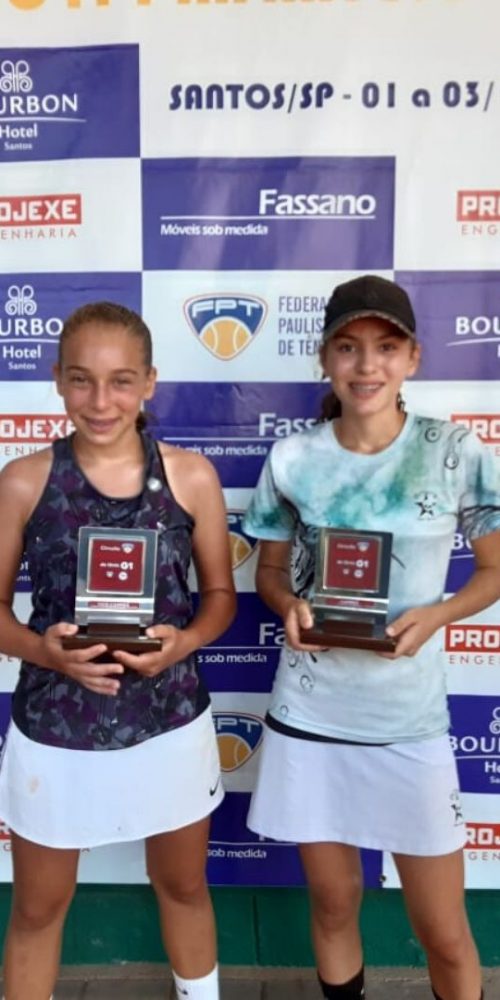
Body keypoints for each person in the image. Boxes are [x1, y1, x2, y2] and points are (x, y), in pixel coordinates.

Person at [243, 275, 500, 1000]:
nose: (366, 365)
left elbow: (493, 571)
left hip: (407, 721)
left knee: (442, 930)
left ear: (412, 358)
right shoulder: (292, 457)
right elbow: (269, 571)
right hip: (311, 715)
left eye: (386, 347)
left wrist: (438, 614)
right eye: (348, 347)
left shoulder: (455, 449)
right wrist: (289, 605)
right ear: (326, 358)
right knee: (333, 905)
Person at [0, 302, 236, 1000]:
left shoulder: (192, 476)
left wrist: (185, 641)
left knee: (184, 886)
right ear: (57, 380)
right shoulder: (22, 480)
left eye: (121, 381)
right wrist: (45, 652)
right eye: (81, 379)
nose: (100, 401)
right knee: (38, 909)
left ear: (149, 382)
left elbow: (221, 596)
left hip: (169, 720)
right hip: (56, 729)